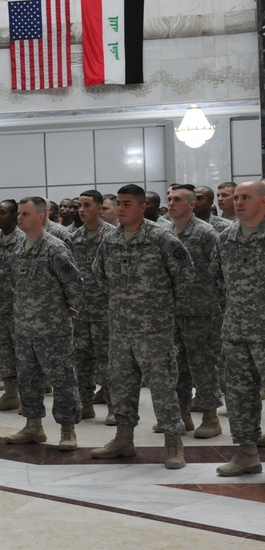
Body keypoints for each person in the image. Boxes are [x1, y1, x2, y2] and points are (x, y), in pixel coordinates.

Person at [92, 184, 192, 469]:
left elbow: (185, 275)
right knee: (122, 386)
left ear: (141, 206)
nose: (120, 209)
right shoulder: (110, 239)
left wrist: (160, 306)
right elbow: (99, 276)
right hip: (121, 328)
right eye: (119, 204)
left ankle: (174, 442)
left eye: (126, 204)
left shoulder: (160, 237)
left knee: (162, 387)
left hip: (154, 329)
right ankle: (123, 439)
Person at [6, 197, 82, 450]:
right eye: (19, 213)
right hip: (25, 328)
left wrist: (71, 307)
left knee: (62, 381)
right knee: (27, 380)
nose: (19, 218)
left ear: (40, 217)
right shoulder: (19, 247)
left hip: (53, 329)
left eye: (25, 214)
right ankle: (33, 426)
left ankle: (67, 430)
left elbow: (74, 283)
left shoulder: (54, 248)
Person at [212, 180, 265, 476]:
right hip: (236, 331)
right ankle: (246, 454)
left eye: (246, 197)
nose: (239, 202)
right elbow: (217, 278)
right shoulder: (226, 237)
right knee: (239, 395)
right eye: (236, 197)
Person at [164, 185, 223, 438]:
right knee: (176, 365)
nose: (171, 203)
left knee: (203, 365)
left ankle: (210, 417)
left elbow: (220, 271)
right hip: (173, 310)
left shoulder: (205, 233)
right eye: (169, 199)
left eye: (177, 199)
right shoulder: (164, 232)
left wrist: (216, 304)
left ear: (191, 205)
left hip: (202, 311)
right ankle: (182, 414)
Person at [70, 190, 116, 423]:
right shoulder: (75, 237)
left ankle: (112, 406)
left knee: (108, 358)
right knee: (81, 357)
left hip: (105, 309)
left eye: (86, 205)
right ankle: (85, 403)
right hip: (81, 310)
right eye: (80, 205)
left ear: (99, 208)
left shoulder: (112, 236)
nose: (81, 209)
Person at [0, 200, 24, 412]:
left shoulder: (23, 240)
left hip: (20, 310)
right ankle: (11, 394)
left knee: (24, 356)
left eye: (3, 213)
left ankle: (28, 397)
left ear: (15, 215)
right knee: (3, 355)